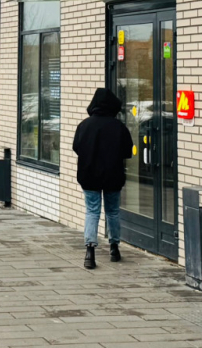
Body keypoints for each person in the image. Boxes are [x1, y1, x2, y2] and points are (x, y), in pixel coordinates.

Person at [73, 87, 133, 268]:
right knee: (112, 211)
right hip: (113, 175)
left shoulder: (84, 126)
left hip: (89, 175)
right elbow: (128, 152)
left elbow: (77, 148)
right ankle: (114, 248)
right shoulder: (119, 127)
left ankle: (89, 252)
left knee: (92, 211)